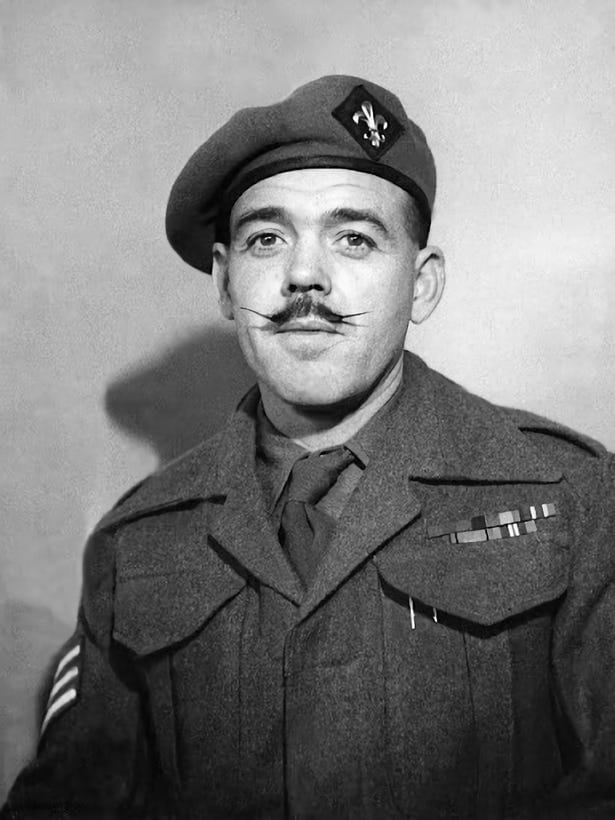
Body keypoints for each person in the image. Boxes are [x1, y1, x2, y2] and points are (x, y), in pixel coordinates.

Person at [3, 75, 615, 820]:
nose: (303, 276)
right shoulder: (136, 544)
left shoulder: (574, 499)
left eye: (354, 238)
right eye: (267, 239)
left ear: (421, 285)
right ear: (225, 283)